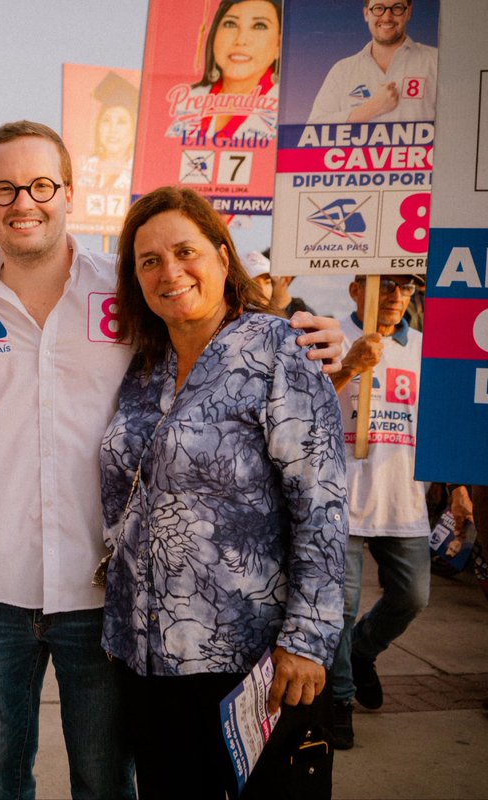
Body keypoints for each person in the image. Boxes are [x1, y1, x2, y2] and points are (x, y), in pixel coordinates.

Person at [0, 120, 344, 799]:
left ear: (68, 191)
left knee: (106, 784)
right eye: (6, 188)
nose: (25, 201)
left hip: (102, 599)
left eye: (41, 184)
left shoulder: (128, 288)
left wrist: (318, 340)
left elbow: (240, 366)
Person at [101, 186, 347, 798]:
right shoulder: (143, 366)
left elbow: (321, 506)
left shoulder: (279, 350)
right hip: (146, 656)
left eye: (186, 251)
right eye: (149, 261)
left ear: (220, 254)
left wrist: (307, 641)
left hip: (250, 662)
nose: (170, 271)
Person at [327, 273, 431, 749]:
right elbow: (300, 407)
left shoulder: (428, 349)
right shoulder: (331, 336)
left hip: (402, 498)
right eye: (386, 284)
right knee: (340, 610)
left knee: (412, 597)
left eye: (406, 287)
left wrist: (460, 489)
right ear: (356, 289)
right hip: (341, 498)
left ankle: (364, 651)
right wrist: (349, 366)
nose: (396, 296)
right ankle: (340, 699)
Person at [167, 0, 281, 142]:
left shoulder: (288, 107)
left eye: (259, 26)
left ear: (278, 44)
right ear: (214, 35)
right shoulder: (184, 99)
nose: (241, 40)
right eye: (230, 24)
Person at [308, 1, 438, 124]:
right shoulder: (342, 71)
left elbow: (454, 123)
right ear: (366, 14)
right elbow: (313, 131)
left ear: (409, 12)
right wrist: (371, 109)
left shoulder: (436, 61)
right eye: (378, 8)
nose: (387, 17)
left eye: (397, 8)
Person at [77, 71, 139, 200]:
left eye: (121, 122)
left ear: (133, 130)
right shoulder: (84, 169)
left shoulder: (138, 174)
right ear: (98, 127)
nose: (113, 129)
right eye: (106, 120)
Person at [246, 249, 316, 317]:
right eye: (255, 282)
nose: (261, 289)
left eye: (268, 281)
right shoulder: (249, 314)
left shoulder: (305, 315)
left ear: (287, 279)